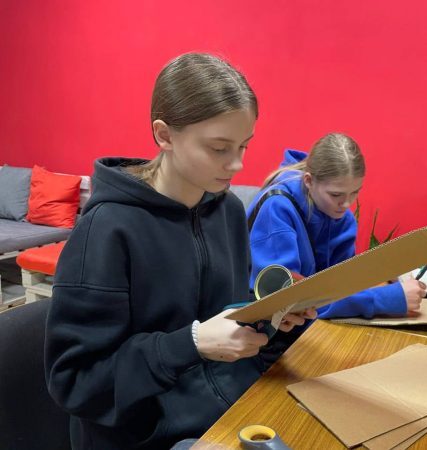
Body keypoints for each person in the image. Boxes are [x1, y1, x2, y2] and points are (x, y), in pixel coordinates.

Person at [44, 53, 315, 450]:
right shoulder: (107, 229)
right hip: (142, 436)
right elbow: (77, 382)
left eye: (243, 146)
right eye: (219, 148)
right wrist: (192, 342)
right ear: (165, 135)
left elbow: (226, 320)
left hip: (225, 411)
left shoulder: (228, 210)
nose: (237, 164)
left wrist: (273, 321)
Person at [247, 133, 426, 325]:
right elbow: (288, 304)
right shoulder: (277, 209)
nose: (346, 204)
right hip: (267, 332)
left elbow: (340, 288)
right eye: (335, 194)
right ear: (309, 181)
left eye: (355, 192)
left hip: (312, 327)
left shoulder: (342, 217)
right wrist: (384, 299)